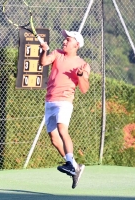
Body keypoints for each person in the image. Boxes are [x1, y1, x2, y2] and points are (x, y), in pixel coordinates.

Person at [39, 30, 90, 189]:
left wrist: (81, 76)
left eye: (68, 40)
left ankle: (70, 163)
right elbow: (43, 62)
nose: (64, 42)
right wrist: (44, 50)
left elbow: (84, 89)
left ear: (76, 44)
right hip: (50, 101)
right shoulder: (57, 54)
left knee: (62, 129)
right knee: (54, 139)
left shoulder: (83, 65)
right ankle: (75, 167)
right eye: (64, 39)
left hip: (65, 102)